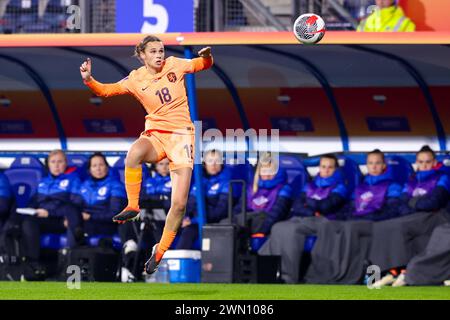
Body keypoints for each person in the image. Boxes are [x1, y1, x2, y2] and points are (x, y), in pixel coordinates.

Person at [79, 35, 213, 274]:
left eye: (161, 50)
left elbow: (202, 65)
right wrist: (89, 80)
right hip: (157, 135)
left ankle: (159, 252)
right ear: (142, 55)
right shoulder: (135, 78)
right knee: (134, 153)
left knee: (179, 204)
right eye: (153, 51)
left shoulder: (175, 64)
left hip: (182, 138)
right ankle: (133, 205)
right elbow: (107, 91)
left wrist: (207, 57)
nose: (159, 55)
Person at [304, 149, 404, 284]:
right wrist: (335, 217)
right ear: (367, 165)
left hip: (375, 222)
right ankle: (323, 273)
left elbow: (392, 210)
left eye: (377, 163)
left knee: (349, 227)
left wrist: (365, 217)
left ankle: (347, 275)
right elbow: (349, 209)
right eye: (371, 163)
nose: (374, 166)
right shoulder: (360, 187)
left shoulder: (392, 186)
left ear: (383, 165)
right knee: (329, 224)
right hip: (357, 221)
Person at [259, 154, 348, 284]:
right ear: (319, 168)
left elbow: (326, 206)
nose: (326, 170)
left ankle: (289, 277)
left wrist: (309, 202)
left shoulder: (340, 187)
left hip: (325, 221)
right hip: (306, 218)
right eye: (323, 166)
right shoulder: (309, 185)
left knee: (292, 229)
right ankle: (273, 272)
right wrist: (312, 208)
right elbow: (297, 206)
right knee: (278, 227)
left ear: (336, 169)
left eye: (330, 167)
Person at [370, 145, 450, 288]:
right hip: (415, 216)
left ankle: (406, 272)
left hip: (435, 215)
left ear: (434, 162)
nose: (424, 165)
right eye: (421, 162)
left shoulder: (442, 178)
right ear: (416, 163)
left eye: (427, 162)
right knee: (382, 226)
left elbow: (435, 201)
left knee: (398, 226)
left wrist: (413, 202)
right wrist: (415, 205)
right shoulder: (411, 180)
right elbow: (401, 204)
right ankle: (389, 271)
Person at [20, 150, 84, 268]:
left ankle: (69, 266)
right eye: (53, 162)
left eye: (60, 161)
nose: (56, 165)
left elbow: (75, 204)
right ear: (48, 164)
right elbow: (32, 203)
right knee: (27, 222)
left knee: (72, 220)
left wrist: (49, 213)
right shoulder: (43, 182)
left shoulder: (74, 180)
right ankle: (32, 265)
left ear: (65, 163)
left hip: (61, 219)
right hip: (44, 219)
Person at [176, 149, 230, 249]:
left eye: (217, 161)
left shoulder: (226, 183)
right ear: (205, 164)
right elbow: (189, 205)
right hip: (195, 221)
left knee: (189, 232)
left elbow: (221, 211)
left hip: (214, 223)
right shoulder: (198, 181)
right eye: (210, 161)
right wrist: (185, 218)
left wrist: (194, 220)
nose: (213, 164)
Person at [231, 152, 293, 236]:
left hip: (264, 223)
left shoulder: (284, 189)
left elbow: (277, 213)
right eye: (264, 170)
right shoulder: (251, 188)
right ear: (259, 172)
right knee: (227, 223)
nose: (267, 174)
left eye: (270, 171)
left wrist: (262, 230)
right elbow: (239, 208)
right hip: (247, 221)